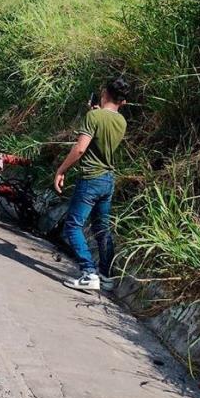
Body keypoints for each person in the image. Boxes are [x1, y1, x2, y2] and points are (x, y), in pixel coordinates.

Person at [54, 77, 130, 291]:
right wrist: (97, 112)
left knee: (73, 225)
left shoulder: (93, 116)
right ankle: (106, 275)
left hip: (90, 178)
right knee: (102, 228)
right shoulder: (121, 122)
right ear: (122, 102)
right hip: (108, 180)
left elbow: (80, 149)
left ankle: (89, 272)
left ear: (104, 92)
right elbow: (105, 129)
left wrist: (61, 170)